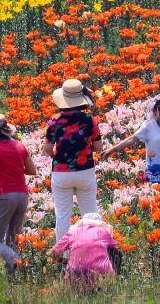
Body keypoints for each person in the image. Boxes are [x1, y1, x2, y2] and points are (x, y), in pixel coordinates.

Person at [43, 79, 102, 244]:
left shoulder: (55, 121)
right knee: (90, 212)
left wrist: (58, 155)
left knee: (62, 215)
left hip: (61, 173)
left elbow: (47, 148)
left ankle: (63, 254)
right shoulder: (90, 119)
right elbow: (98, 147)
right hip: (85, 171)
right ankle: (94, 249)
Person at [0, 113, 37, 275]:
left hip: (3, 196)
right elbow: (32, 171)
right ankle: (13, 276)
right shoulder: (19, 146)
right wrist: (14, 169)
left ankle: (19, 262)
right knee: (12, 238)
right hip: (22, 195)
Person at [49, 212, 118, 291]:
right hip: (102, 275)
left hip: (75, 276)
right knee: (114, 252)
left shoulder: (72, 232)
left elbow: (53, 253)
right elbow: (115, 249)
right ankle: (110, 280)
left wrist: (64, 262)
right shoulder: (104, 232)